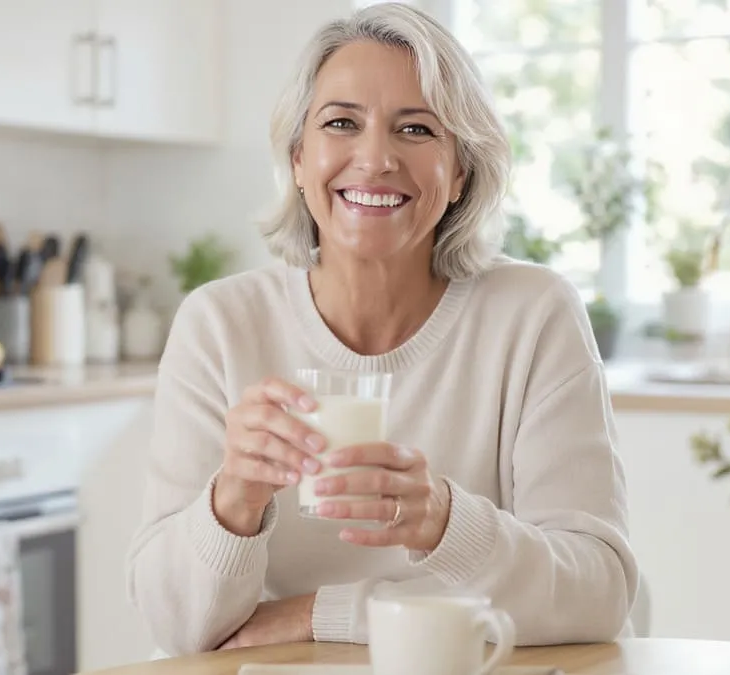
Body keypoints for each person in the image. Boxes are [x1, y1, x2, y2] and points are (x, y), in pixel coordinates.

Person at [126, 1, 639, 656]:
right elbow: (175, 630)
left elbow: (598, 591)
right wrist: (234, 499)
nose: (375, 159)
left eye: (417, 130)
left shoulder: (533, 313)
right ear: (299, 158)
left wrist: (433, 529)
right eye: (341, 123)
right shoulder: (220, 324)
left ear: (459, 172)